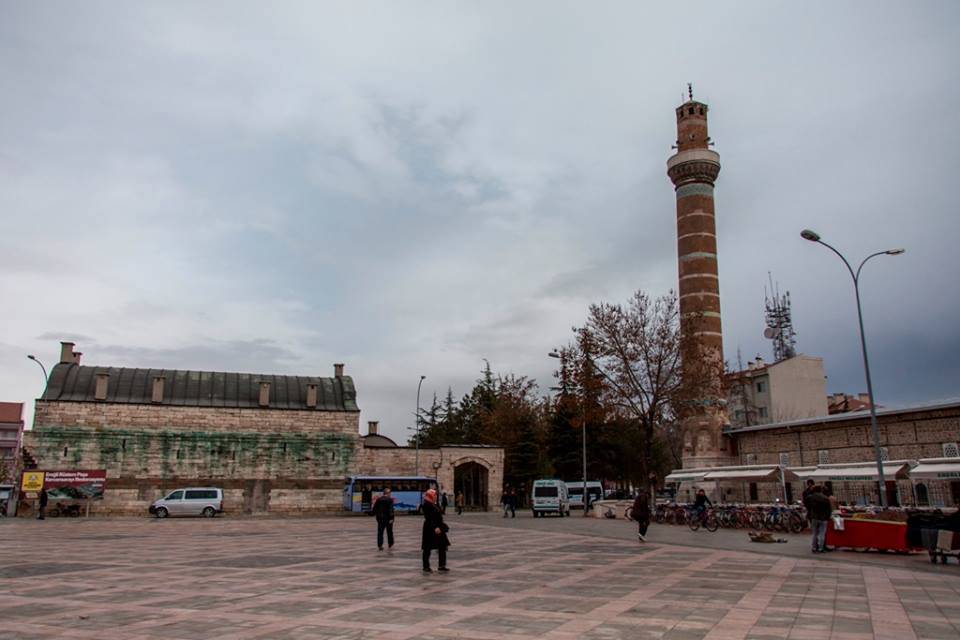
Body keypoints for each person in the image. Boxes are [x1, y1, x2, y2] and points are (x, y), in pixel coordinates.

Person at [421, 489, 449, 573]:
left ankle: (442, 565)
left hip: (439, 527)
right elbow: (428, 518)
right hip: (430, 528)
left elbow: (440, 514)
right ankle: (426, 566)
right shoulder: (427, 505)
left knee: (442, 546)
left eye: (436, 495)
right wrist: (435, 527)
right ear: (430, 496)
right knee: (427, 548)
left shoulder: (435, 504)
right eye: (434, 495)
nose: (436, 496)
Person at [806, 485, 832, 553]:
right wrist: (828, 517)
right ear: (821, 490)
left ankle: (814, 547)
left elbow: (807, 506)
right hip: (823, 517)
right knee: (822, 533)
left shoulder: (811, 497)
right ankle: (821, 548)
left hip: (814, 517)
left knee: (814, 533)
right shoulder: (826, 498)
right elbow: (829, 509)